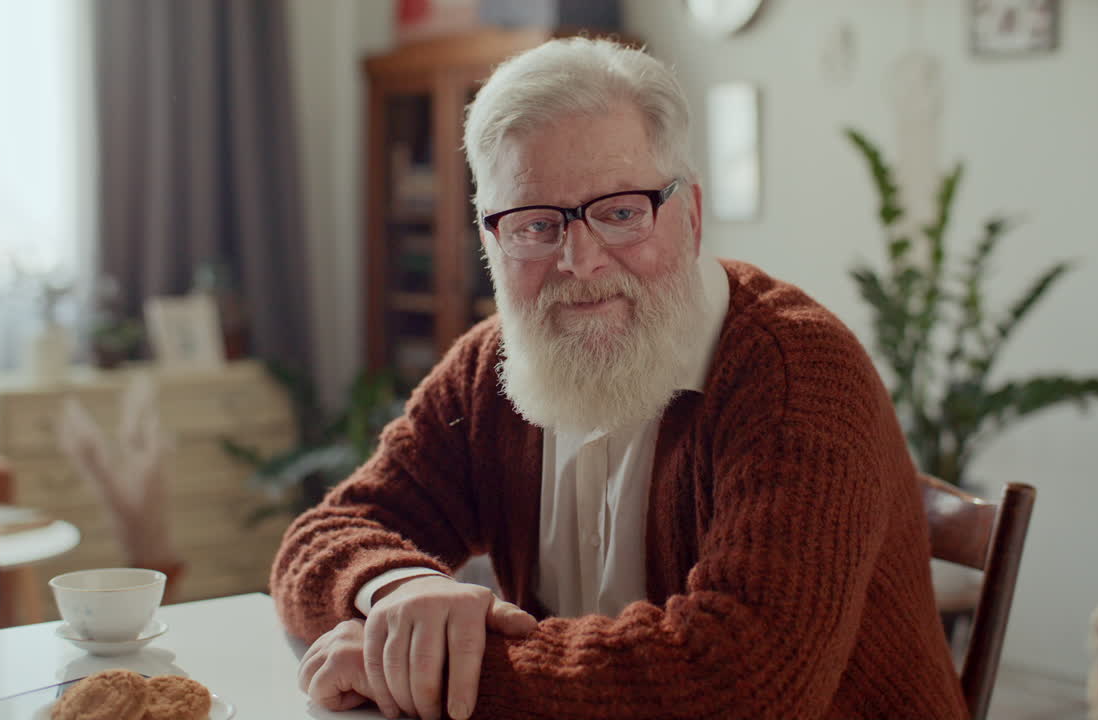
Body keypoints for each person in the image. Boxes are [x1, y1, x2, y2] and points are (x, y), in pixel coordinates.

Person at [271, 37, 967, 720]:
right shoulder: (494, 367)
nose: (581, 259)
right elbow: (325, 535)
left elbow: (743, 685)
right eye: (535, 224)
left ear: (689, 217)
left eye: (621, 212)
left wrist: (438, 668)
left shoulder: (798, 376)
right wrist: (399, 591)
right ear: (492, 241)